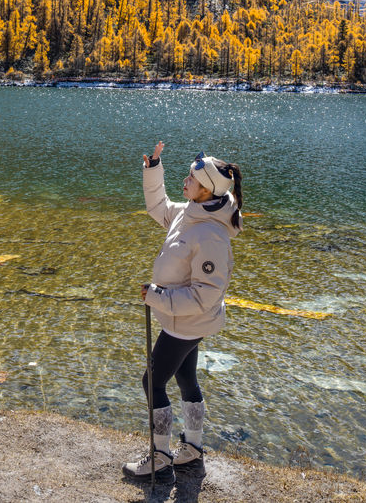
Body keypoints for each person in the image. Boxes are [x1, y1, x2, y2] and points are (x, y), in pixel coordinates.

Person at [122, 140, 243, 485]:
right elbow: (159, 207)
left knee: (152, 382)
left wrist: (158, 296)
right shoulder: (192, 213)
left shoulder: (210, 235)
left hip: (185, 323)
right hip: (187, 322)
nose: (185, 183)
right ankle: (192, 448)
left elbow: (205, 296)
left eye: (190, 179)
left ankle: (160, 458)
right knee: (186, 378)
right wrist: (153, 169)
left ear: (207, 190)